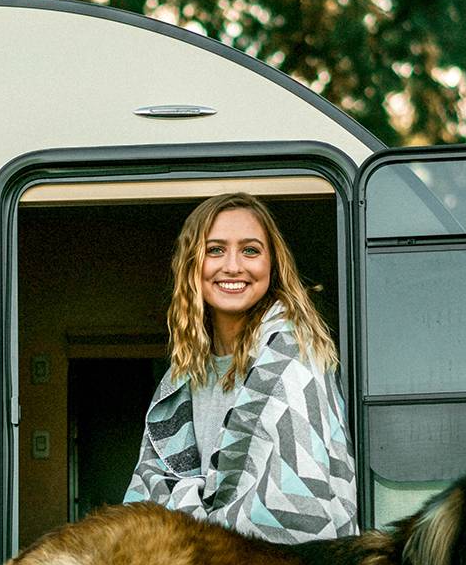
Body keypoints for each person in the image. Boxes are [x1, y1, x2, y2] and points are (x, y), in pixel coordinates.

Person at [124, 191, 357, 542]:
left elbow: (301, 506)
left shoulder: (293, 358)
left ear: (272, 265)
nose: (233, 266)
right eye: (215, 250)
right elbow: (150, 483)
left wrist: (197, 519)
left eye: (250, 250)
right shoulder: (181, 373)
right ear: (192, 264)